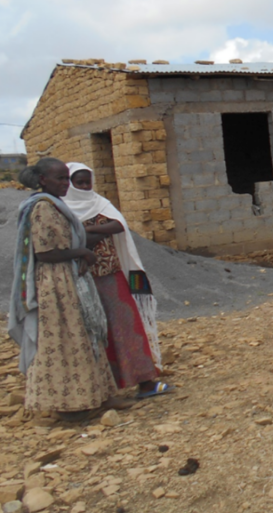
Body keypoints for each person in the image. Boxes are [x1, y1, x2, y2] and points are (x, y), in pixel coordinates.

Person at [8, 158, 122, 422]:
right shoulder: (41, 208)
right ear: (42, 180)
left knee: (86, 335)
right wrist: (82, 251)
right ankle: (69, 406)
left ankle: (97, 396)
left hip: (69, 278)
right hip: (55, 283)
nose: (65, 184)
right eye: (59, 178)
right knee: (64, 339)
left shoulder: (55, 205)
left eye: (66, 178)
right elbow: (46, 253)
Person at [64, 163, 171, 399]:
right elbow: (69, 239)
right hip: (80, 282)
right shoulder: (62, 208)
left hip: (110, 276)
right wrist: (96, 231)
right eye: (78, 182)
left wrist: (88, 230)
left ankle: (144, 381)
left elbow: (119, 224)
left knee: (127, 327)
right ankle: (104, 389)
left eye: (86, 181)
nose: (84, 187)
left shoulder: (99, 202)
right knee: (93, 333)